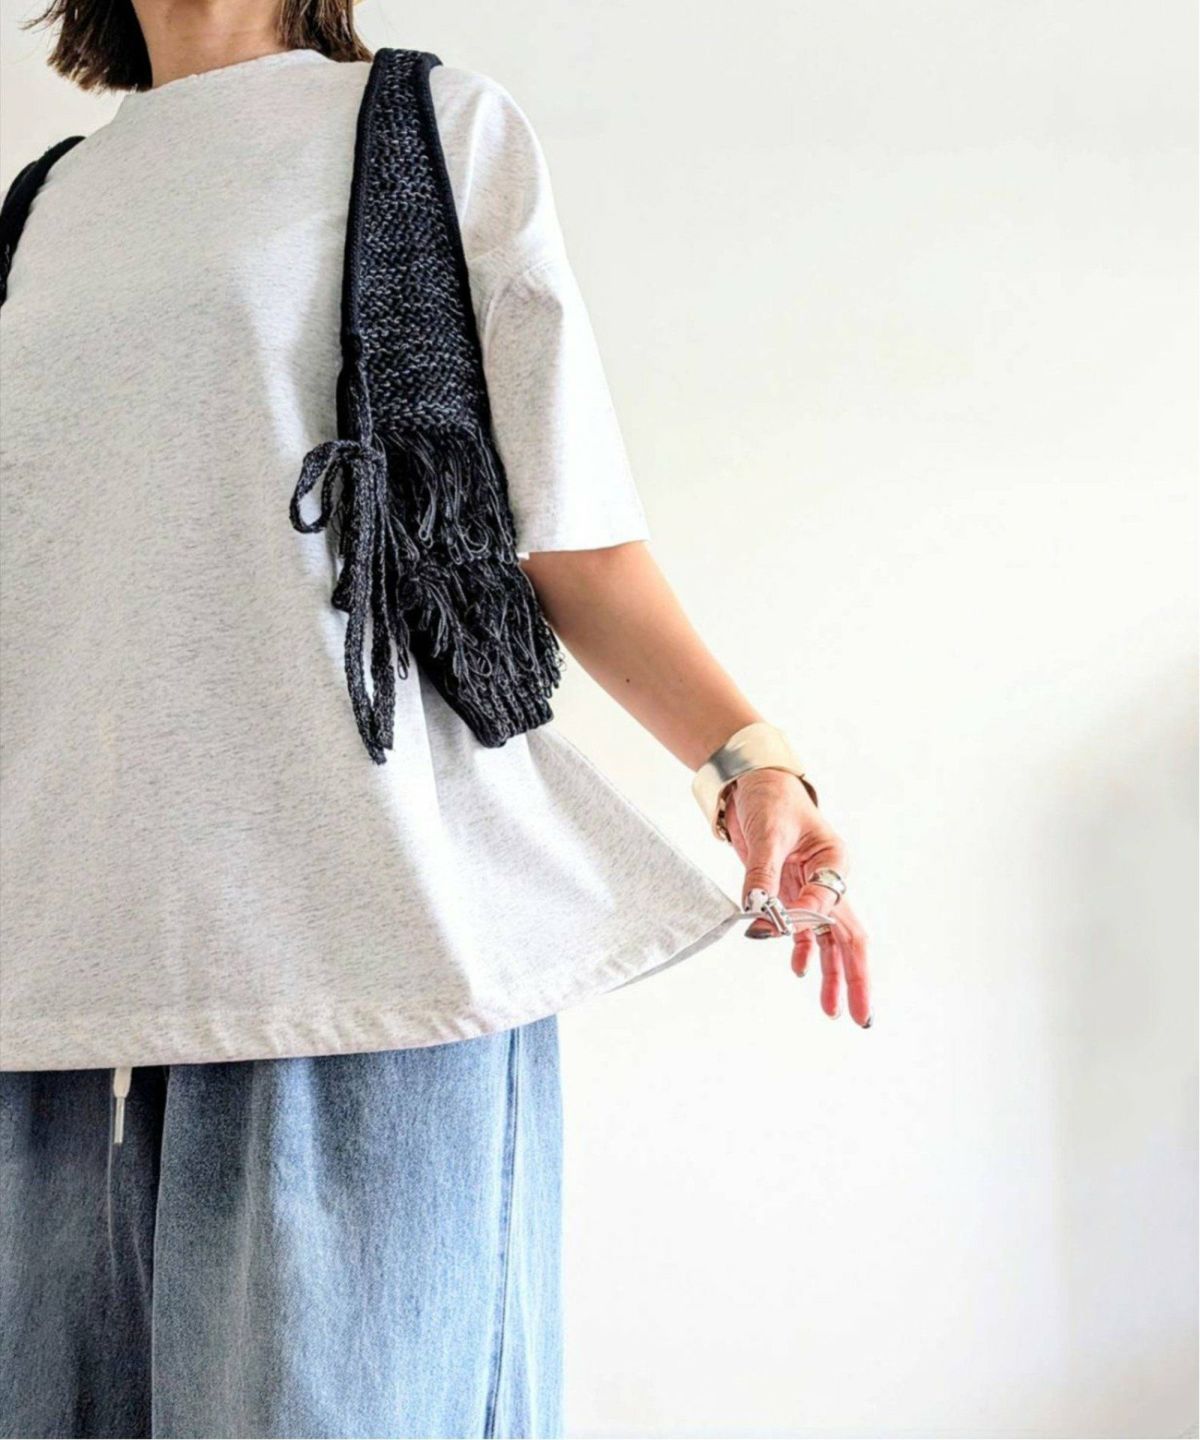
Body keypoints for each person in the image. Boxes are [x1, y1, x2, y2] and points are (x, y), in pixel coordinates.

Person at [0, 2, 871, 1436]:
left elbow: (566, 534)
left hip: (361, 959)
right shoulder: (48, 204)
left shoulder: (424, 130)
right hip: (61, 988)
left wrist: (747, 761)